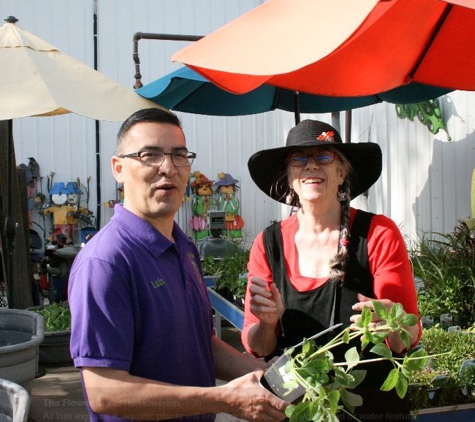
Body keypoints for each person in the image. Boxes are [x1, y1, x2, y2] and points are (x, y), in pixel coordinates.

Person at [68, 108, 288, 422]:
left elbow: (198, 342)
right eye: (150, 155)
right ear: (118, 168)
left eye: (179, 155)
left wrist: (264, 374)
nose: (168, 168)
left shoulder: (183, 247)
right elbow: (105, 392)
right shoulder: (106, 262)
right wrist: (223, 399)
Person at [242, 120, 421, 420]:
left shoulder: (377, 234)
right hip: (300, 409)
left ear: (341, 173)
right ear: (289, 177)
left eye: (324, 156)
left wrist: (393, 323)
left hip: (373, 409)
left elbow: (409, 336)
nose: (311, 165)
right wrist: (265, 322)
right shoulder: (267, 244)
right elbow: (259, 347)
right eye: (299, 158)